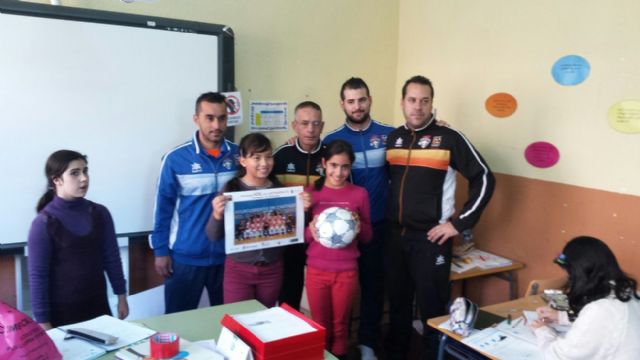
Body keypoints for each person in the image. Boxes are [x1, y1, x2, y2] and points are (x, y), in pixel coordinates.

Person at [385, 76, 495, 360]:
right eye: (412, 100)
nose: (418, 107)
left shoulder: (449, 138)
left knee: (432, 309)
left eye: (425, 101)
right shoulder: (393, 138)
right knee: (397, 305)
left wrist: (458, 223)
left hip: (430, 239)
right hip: (396, 238)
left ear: (432, 103)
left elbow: (484, 177)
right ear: (402, 103)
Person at [323, 77, 395, 360]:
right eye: (351, 101)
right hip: (344, 231)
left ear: (370, 100)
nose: (357, 106)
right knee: (342, 291)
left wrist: (440, 128)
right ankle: (334, 345)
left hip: (379, 228)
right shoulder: (332, 140)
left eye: (361, 99)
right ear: (342, 104)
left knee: (374, 288)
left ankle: (368, 343)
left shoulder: (390, 134)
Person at [150, 92, 239, 314]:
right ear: (196, 119)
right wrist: (160, 251)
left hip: (228, 258)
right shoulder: (175, 159)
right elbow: (163, 208)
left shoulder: (239, 156)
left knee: (228, 324)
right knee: (178, 324)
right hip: (185, 258)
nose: (216, 125)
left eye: (222, 118)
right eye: (209, 118)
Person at [206, 133, 311, 307]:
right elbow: (212, 235)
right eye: (257, 157)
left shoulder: (279, 190)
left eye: (268, 157)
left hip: (272, 269)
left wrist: (304, 210)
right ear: (243, 160)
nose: (264, 163)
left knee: (264, 321)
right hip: (238, 270)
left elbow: (295, 230)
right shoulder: (231, 189)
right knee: (238, 323)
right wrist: (216, 215)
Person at [28, 150, 128, 329]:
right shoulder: (44, 223)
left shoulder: (100, 213)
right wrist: (43, 322)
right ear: (56, 180)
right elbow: (38, 277)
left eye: (85, 171)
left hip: (98, 307)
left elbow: (111, 258)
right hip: (61, 314)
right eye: (75, 173)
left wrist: (121, 295)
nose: (84, 178)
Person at [305, 140, 373, 360]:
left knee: (341, 325)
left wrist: (358, 226)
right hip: (316, 270)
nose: (339, 172)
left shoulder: (359, 194)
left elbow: (368, 237)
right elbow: (302, 238)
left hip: (346, 271)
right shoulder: (311, 193)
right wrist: (311, 230)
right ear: (324, 163)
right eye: (334, 165)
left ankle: (340, 355)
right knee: (319, 324)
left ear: (351, 167)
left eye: (345, 167)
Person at [531, 236, 640, 359]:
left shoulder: (599, 310)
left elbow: (560, 356)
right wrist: (561, 317)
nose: (569, 278)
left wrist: (542, 330)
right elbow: (603, 327)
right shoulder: (627, 292)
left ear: (579, 274)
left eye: (570, 275)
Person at [272, 101, 325, 310]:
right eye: (304, 123)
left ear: (322, 126)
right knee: (288, 293)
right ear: (295, 126)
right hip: (289, 239)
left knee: (321, 298)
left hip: (321, 239)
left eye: (315, 123)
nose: (310, 129)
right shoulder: (281, 156)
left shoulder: (331, 156)